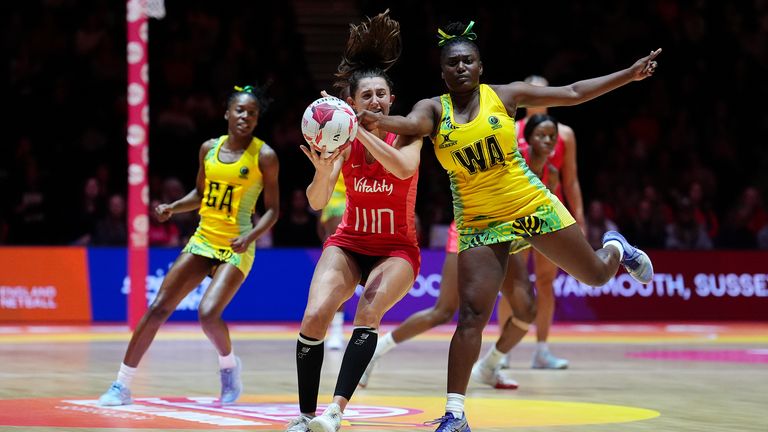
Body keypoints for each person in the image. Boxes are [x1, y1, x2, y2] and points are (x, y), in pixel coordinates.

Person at [358, 20, 658, 432]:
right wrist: (373, 120)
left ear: (480, 67)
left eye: (468, 61)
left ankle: (616, 247)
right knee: (470, 315)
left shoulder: (504, 96)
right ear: (442, 72)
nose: (461, 67)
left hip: (530, 204)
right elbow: (411, 126)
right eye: (452, 63)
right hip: (479, 221)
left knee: (596, 275)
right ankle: (455, 414)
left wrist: (629, 74)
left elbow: (573, 92)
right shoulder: (432, 109)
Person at [97, 84, 280, 406]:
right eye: (240, 110)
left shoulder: (264, 156)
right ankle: (120, 386)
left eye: (252, 113)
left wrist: (250, 237)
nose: (245, 117)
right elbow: (200, 194)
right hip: (203, 239)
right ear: (227, 113)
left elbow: (273, 211)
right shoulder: (208, 148)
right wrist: (173, 207)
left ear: (257, 119)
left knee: (208, 314)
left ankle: (229, 367)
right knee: (158, 307)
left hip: (236, 245)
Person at [284, 10, 424, 432]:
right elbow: (317, 201)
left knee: (368, 311)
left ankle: (335, 412)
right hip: (349, 242)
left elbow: (402, 168)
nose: (376, 101)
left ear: (392, 99)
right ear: (353, 103)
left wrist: (357, 129)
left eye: (382, 94)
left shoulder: (410, 133)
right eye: (367, 96)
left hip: (397, 250)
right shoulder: (343, 142)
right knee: (314, 316)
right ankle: (305, 416)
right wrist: (323, 171)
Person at [497, 76, 585, 370]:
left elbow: (571, 180)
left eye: (542, 91)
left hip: (550, 216)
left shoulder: (565, 134)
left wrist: (579, 218)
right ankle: (503, 351)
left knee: (546, 282)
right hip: (518, 214)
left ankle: (542, 350)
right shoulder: (510, 130)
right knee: (513, 283)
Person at [318, 171, 349, 351]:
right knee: (338, 269)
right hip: (338, 195)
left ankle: (369, 328)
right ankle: (336, 328)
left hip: (370, 188)